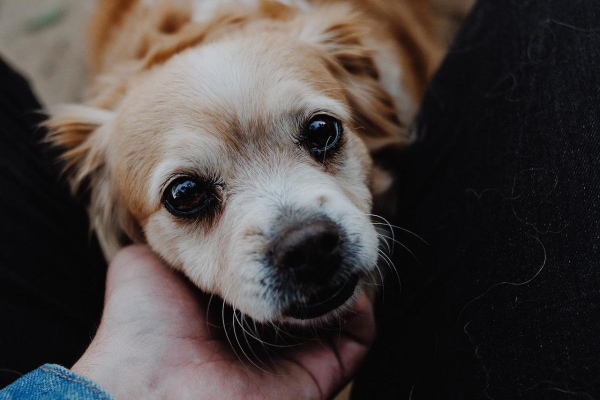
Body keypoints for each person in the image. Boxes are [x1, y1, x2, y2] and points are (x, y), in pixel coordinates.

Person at [2, 0, 600, 398]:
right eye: (189, 196)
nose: (302, 236)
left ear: (364, 111)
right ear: (125, 225)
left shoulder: (361, 71)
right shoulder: (110, 154)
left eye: (320, 135)